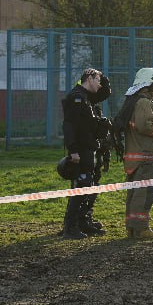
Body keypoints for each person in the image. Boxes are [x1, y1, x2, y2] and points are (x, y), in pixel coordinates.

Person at [60, 69, 112, 240]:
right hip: (81, 150)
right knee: (80, 187)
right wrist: (73, 150)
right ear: (89, 78)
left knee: (89, 184)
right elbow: (69, 125)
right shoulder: (77, 97)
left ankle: (83, 221)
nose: (100, 84)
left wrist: (102, 76)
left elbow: (105, 92)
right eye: (97, 80)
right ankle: (70, 227)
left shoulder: (88, 96)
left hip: (89, 148)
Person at [116, 67, 153, 239]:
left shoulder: (132, 100)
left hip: (134, 156)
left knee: (134, 192)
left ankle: (132, 228)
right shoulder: (144, 102)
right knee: (145, 193)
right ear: (149, 84)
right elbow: (145, 127)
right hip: (144, 156)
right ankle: (141, 229)